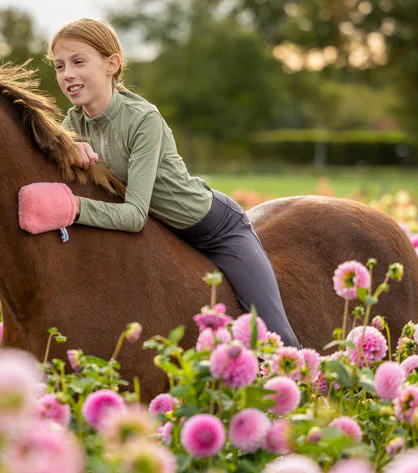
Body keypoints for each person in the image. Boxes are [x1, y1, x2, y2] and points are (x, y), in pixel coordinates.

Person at [25, 17, 299, 347]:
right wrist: (68, 148)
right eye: (59, 66)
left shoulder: (143, 119)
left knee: (274, 337)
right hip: (164, 233)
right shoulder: (72, 122)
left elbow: (134, 215)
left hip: (215, 229)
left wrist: (73, 208)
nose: (66, 74)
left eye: (78, 61)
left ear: (112, 64)